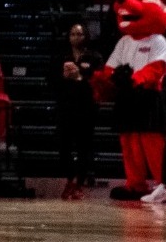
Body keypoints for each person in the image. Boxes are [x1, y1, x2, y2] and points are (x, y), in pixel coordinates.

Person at [55, 23, 104, 200]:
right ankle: (70, 179)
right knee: (64, 146)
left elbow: (99, 79)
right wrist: (63, 76)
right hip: (65, 107)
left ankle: (79, 182)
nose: (76, 37)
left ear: (86, 37)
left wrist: (80, 77)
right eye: (73, 34)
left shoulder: (95, 57)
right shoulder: (61, 56)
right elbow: (50, 79)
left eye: (80, 34)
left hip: (86, 107)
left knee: (84, 146)